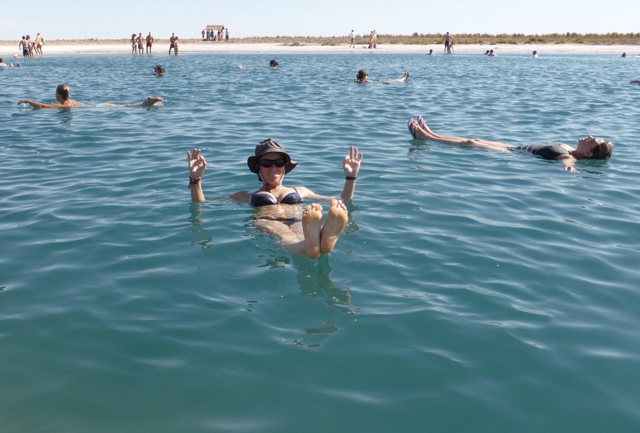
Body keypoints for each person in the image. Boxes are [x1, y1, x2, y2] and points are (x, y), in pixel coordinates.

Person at [187, 140, 363, 259]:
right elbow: (202, 204)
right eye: (266, 164)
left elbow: (341, 199)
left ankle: (318, 240)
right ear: (258, 168)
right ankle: (318, 240)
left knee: (301, 230)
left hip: (299, 221)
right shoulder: (245, 196)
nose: (273, 168)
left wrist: (350, 177)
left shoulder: (300, 190)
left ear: (285, 167)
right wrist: (196, 179)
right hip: (267, 221)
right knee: (283, 234)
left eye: (278, 163)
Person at [407, 115, 612, 173]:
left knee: (471, 142)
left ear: (589, 155)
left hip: (512, 155)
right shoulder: (569, 147)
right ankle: (431, 133)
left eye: (592, 141)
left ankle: (427, 137)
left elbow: (568, 165)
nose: (589, 136)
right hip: (513, 147)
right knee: (474, 139)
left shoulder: (569, 156)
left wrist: (571, 170)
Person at [18, 84, 163, 109]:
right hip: (100, 105)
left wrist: (29, 101)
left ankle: (147, 103)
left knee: (127, 107)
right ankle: (146, 103)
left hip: (99, 109)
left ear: (58, 95)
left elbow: (44, 106)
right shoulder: (72, 101)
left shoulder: (64, 106)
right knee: (126, 106)